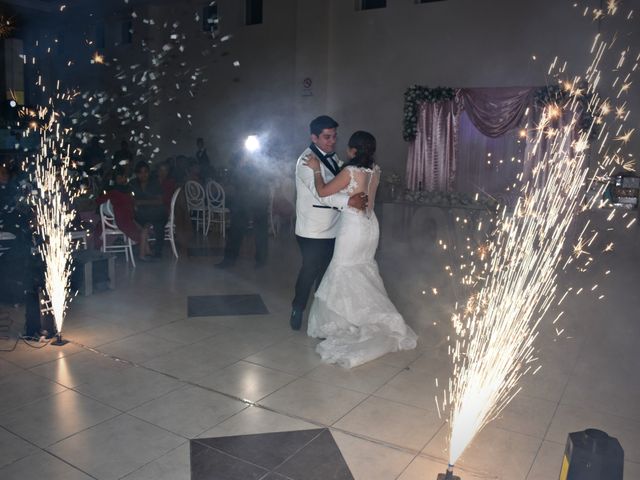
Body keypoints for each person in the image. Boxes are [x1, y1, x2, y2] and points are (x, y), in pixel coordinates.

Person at [303, 131, 418, 368]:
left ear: (352, 149)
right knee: (362, 270)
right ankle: (367, 316)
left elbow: (323, 192)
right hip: (370, 226)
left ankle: (345, 321)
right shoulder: (375, 170)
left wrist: (316, 169)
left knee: (343, 270)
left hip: (353, 228)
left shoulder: (350, 171)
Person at [290, 115, 367, 331]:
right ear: (313, 137)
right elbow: (321, 194)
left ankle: (320, 318)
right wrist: (349, 201)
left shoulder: (334, 159)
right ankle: (297, 307)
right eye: (326, 137)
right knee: (310, 270)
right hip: (312, 229)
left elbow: (340, 183)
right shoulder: (306, 161)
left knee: (326, 274)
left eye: (334, 136)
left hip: (335, 227)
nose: (332, 141)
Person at [216, 149, 270, 268]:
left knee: (259, 231)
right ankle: (229, 260)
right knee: (235, 231)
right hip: (243, 201)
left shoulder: (257, 166)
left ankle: (260, 260)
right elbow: (236, 186)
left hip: (257, 201)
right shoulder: (238, 170)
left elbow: (258, 184)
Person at [96, 166, 153, 261]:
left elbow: (133, 203)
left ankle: (147, 252)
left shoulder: (127, 190)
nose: (123, 179)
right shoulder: (115, 191)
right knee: (142, 230)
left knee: (144, 228)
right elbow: (99, 201)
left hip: (130, 218)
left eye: (123, 177)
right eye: (120, 177)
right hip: (123, 220)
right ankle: (143, 255)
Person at [130, 160, 168, 258]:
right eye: (140, 172)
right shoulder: (133, 183)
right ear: (137, 174)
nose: (143, 175)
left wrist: (142, 202)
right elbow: (130, 198)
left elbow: (160, 201)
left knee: (158, 224)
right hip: (141, 213)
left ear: (149, 172)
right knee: (134, 219)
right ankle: (145, 249)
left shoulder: (154, 183)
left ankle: (157, 251)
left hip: (157, 211)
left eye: (145, 172)